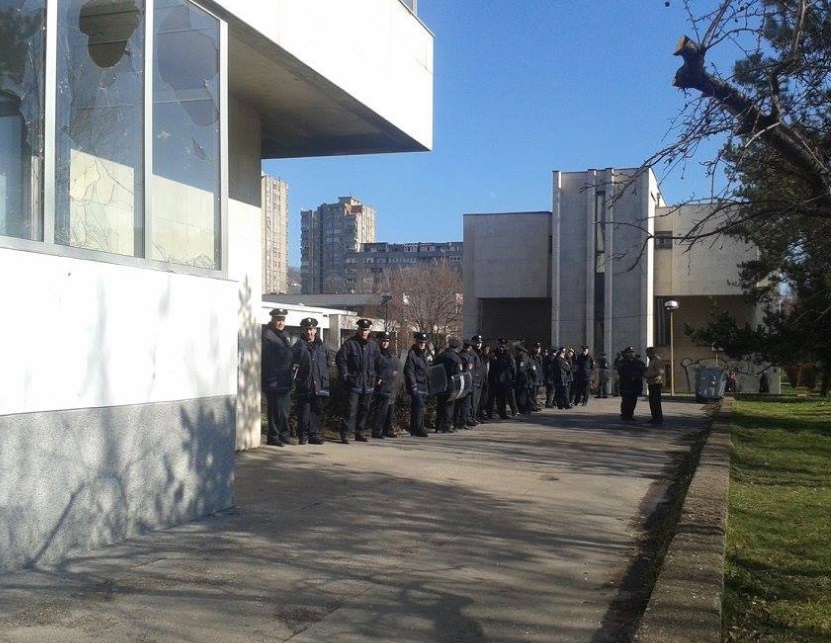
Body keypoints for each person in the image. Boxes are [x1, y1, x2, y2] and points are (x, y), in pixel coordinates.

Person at [335, 318, 379, 443]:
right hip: (354, 383)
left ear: (369, 330)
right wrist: (345, 375)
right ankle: (346, 434)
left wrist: (379, 376)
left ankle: (360, 432)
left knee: (364, 410)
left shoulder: (373, 345)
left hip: (368, 383)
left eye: (366, 330)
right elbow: (340, 359)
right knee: (350, 409)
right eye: (362, 330)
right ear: (358, 330)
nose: (364, 332)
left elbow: (378, 362)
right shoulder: (350, 343)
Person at [292, 317, 330, 444]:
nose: (309, 332)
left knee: (316, 410)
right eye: (307, 329)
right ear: (304, 330)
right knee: (304, 411)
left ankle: (314, 435)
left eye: (311, 329)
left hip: (319, 384)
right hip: (305, 383)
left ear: (315, 330)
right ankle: (303, 435)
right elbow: (292, 365)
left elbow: (327, 364)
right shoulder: (298, 346)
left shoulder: (322, 346)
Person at [262, 308, 294, 447]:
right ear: (273, 320)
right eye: (278, 320)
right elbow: (267, 360)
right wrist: (271, 380)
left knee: (285, 410)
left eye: (282, 320)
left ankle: (284, 435)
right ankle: (273, 436)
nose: (281, 322)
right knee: (275, 411)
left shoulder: (285, 335)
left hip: (285, 379)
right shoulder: (268, 336)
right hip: (274, 381)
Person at [372, 331, 398, 438]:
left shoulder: (390, 355)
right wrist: (377, 378)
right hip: (379, 385)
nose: (385, 343)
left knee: (388, 410)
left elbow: (393, 368)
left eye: (387, 341)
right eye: (383, 341)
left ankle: (386, 430)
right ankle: (377, 431)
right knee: (380, 410)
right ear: (379, 341)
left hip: (389, 385)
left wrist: (394, 373)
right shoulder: (376, 354)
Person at [403, 331, 430, 437]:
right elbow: (409, 371)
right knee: (419, 406)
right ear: (417, 342)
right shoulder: (412, 354)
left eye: (424, 343)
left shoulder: (423, 354)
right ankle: (419, 429)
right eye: (420, 343)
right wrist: (413, 385)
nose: (422, 345)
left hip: (423, 385)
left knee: (417, 407)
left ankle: (414, 429)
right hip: (416, 385)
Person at [434, 337, 463, 432]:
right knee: (449, 406)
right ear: (456, 347)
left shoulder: (440, 356)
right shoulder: (456, 358)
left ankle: (437, 426)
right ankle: (445, 426)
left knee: (440, 405)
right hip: (451, 385)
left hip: (439, 384)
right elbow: (458, 373)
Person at [617, 346, 646, 421]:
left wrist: (637, 377)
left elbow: (642, 371)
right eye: (629, 352)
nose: (631, 354)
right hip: (626, 385)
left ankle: (630, 415)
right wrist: (630, 377)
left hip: (635, 386)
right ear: (626, 354)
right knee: (626, 401)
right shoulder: (622, 363)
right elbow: (621, 372)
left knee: (633, 401)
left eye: (632, 352)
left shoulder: (638, 362)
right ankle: (625, 415)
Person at [490, 338, 517, 419]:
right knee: (495, 398)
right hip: (495, 379)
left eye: (503, 346)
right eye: (500, 345)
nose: (501, 347)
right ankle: (495, 412)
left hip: (506, 379)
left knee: (503, 398)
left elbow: (513, 367)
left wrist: (514, 378)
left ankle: (503, 413)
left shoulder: (508, 355)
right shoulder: (493, 354)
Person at [644, 346, 664, 425]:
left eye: (648, 353)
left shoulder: (657, 360)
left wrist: (648, 375)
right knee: (652, 402)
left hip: (656, 383)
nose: (647, 355)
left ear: (652, 352)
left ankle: (658, 418)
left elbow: (659, 371)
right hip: (651, 383)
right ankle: (654, 418)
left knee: (656, 401)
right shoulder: (651, 360)